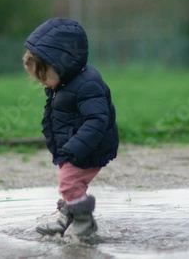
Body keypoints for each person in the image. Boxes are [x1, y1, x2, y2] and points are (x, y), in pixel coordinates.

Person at [22, 18, 119, 238]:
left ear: (60, 64)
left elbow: (97, 120)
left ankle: (85, 224)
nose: (42, 83)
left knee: (68, 182)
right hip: (75, 145)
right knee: (72, 183)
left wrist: (75, 147)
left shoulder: (87, 83)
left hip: (90, 147)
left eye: (43, 76)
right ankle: (68, 217)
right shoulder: (67, 82)